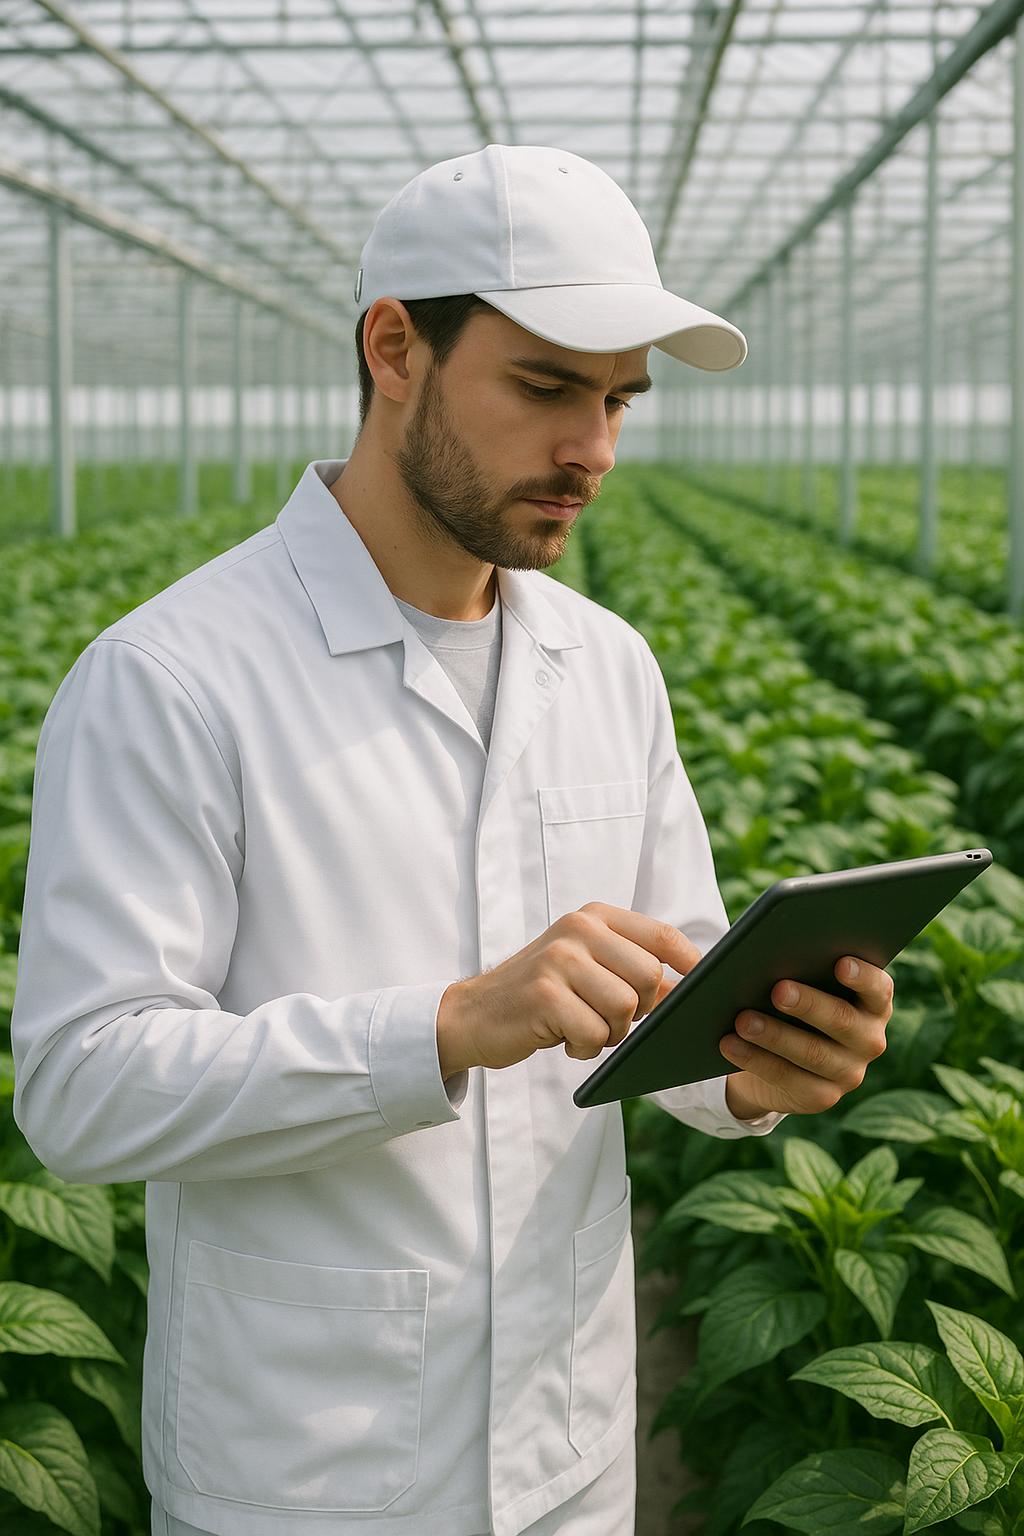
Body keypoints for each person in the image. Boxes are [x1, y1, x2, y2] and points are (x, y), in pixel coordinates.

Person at [11, 144, 894, 1536]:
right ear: (394, 350)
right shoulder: (174, 677)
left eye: (616, 400)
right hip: (305, 1470)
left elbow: (668, 994)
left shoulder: (607, 666)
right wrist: (443, 1026)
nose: (593, 449)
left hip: (571, 1450)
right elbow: (81, 1087)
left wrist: (761, 1058)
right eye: (546, 387)